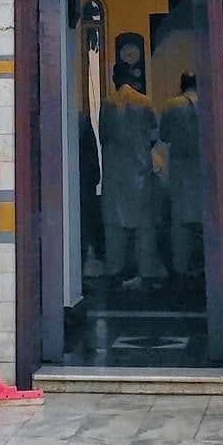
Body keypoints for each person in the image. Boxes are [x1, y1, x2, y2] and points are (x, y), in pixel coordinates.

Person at [99, 56, 161, 286]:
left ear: (115, 78)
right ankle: (146, 271)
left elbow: (104, 136)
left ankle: (114, 271)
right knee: (144, 227)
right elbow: (155, 135)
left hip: (115, 175)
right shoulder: (144, 102)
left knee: (115, 227)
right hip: (139, 173)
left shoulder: (107, 103)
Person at [158, 72, 204, 278]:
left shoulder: (172, 105)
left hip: (180, 167)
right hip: (205, 166)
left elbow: (163, 135)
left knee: (180, 220)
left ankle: (181, 268)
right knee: (205, 218)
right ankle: (203, 264)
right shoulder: (210, 103)